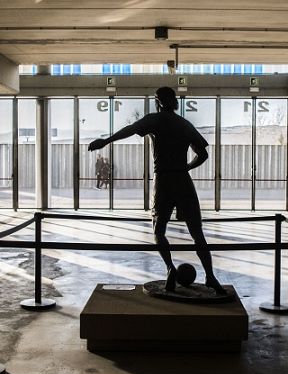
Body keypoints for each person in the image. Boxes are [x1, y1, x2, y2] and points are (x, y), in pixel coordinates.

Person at [88, 86, 225, 294]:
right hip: (182, 179)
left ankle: (170, 268)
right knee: (197, 233)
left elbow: (130, 129)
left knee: (158, 231)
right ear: (174, 101)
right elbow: (203, 155)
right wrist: (187, 167)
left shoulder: (154, 120)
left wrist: (105, 141)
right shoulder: (184, 124)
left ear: (158, 101)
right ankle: (210, 276)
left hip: (163, 180)